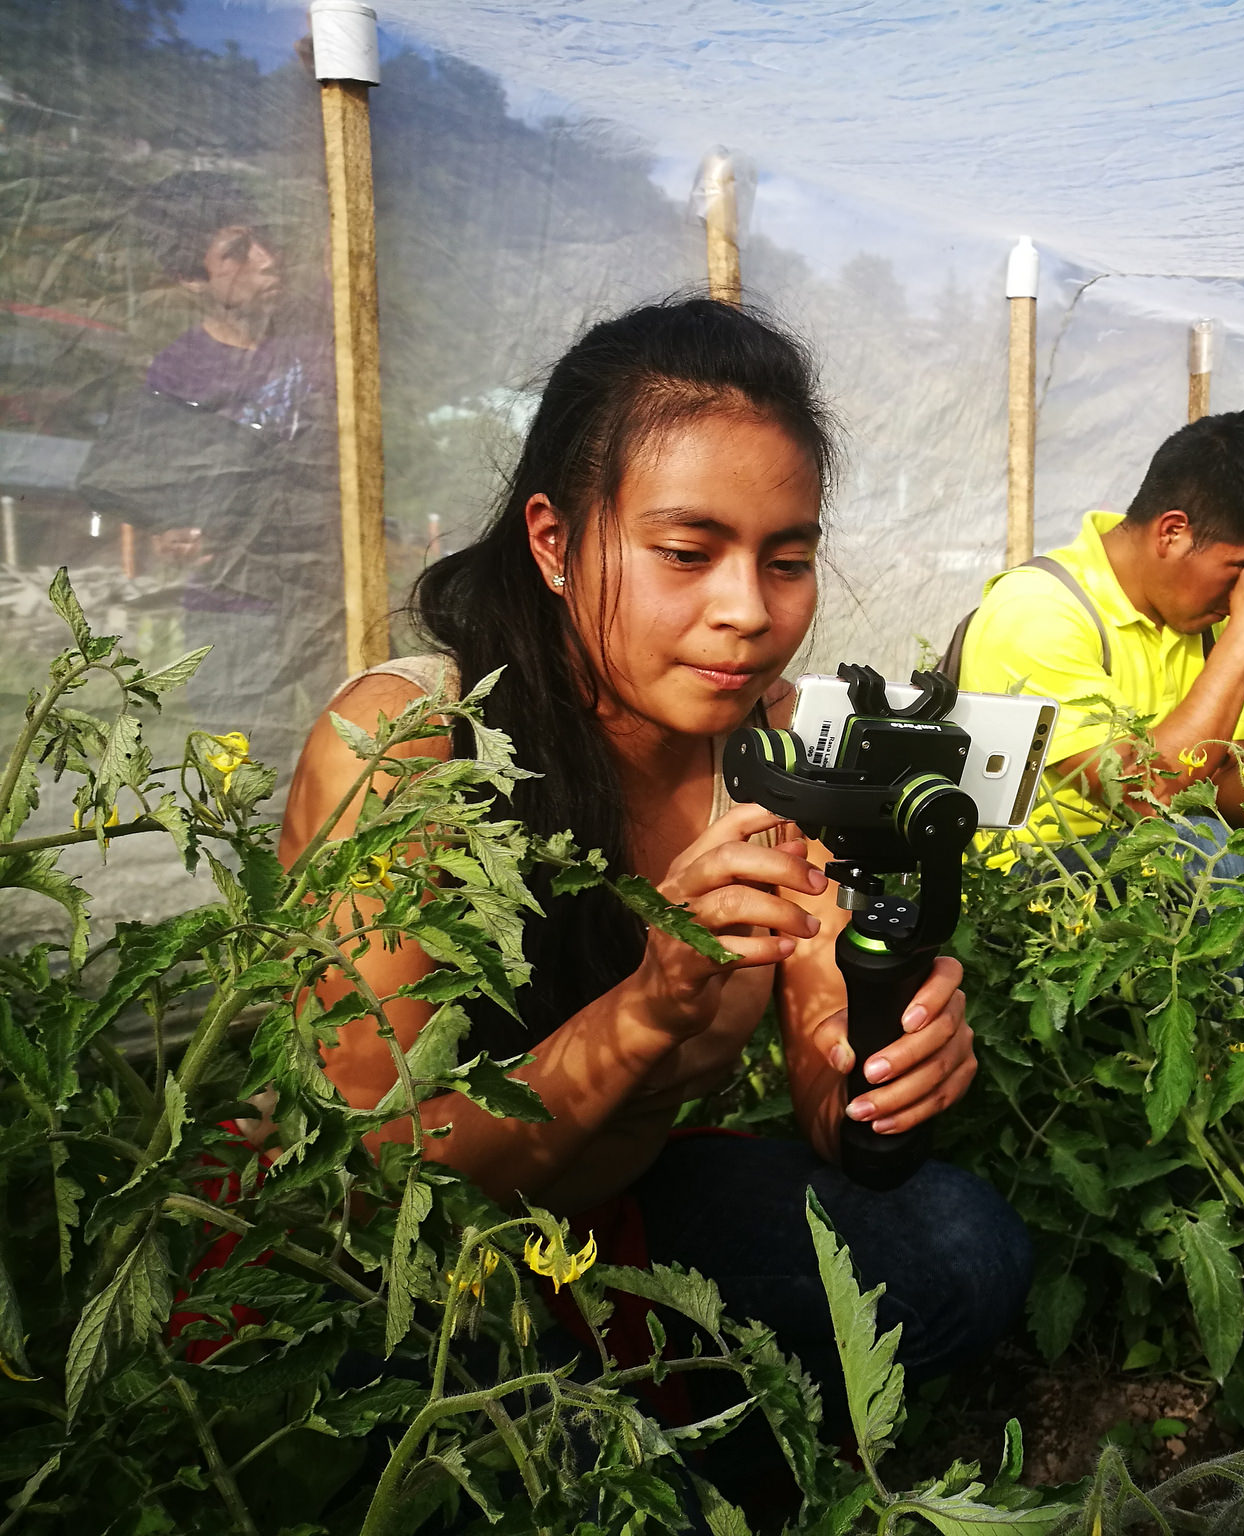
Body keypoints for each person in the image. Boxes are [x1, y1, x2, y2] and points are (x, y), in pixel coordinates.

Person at [277, 299, 1028, 1478]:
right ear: (554, 539)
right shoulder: (408, 748)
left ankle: (677, 1433)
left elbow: (821, 1024)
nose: (749, 612)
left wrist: (880, 1068)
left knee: (959, 1244)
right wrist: (647, 1011)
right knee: (532, 1448)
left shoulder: (770, 746)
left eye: (787, 560)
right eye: (687, 554)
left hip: (612, 1220)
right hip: (400, 1271)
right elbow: (384, 1167)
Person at [957, 409, 1244, 864]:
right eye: (1242, 572)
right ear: (1172, 532)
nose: (1243, 601)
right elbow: (1144, 793)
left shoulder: (1201, 622)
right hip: (1036, 885)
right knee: (1198, 849)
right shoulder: (1037, 612)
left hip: (1136, 868)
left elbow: (1216, 794)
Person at [77, 170, 345, 760]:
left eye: (264, 240)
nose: (267, 259)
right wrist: (166, 528)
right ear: (189, 278)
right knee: (251, 792)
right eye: (236, 252)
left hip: (328, 599)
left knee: (362, 771)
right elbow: (152, 483)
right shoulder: (176, 375)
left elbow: (341, 223)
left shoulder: (317, 332)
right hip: (233, 614)